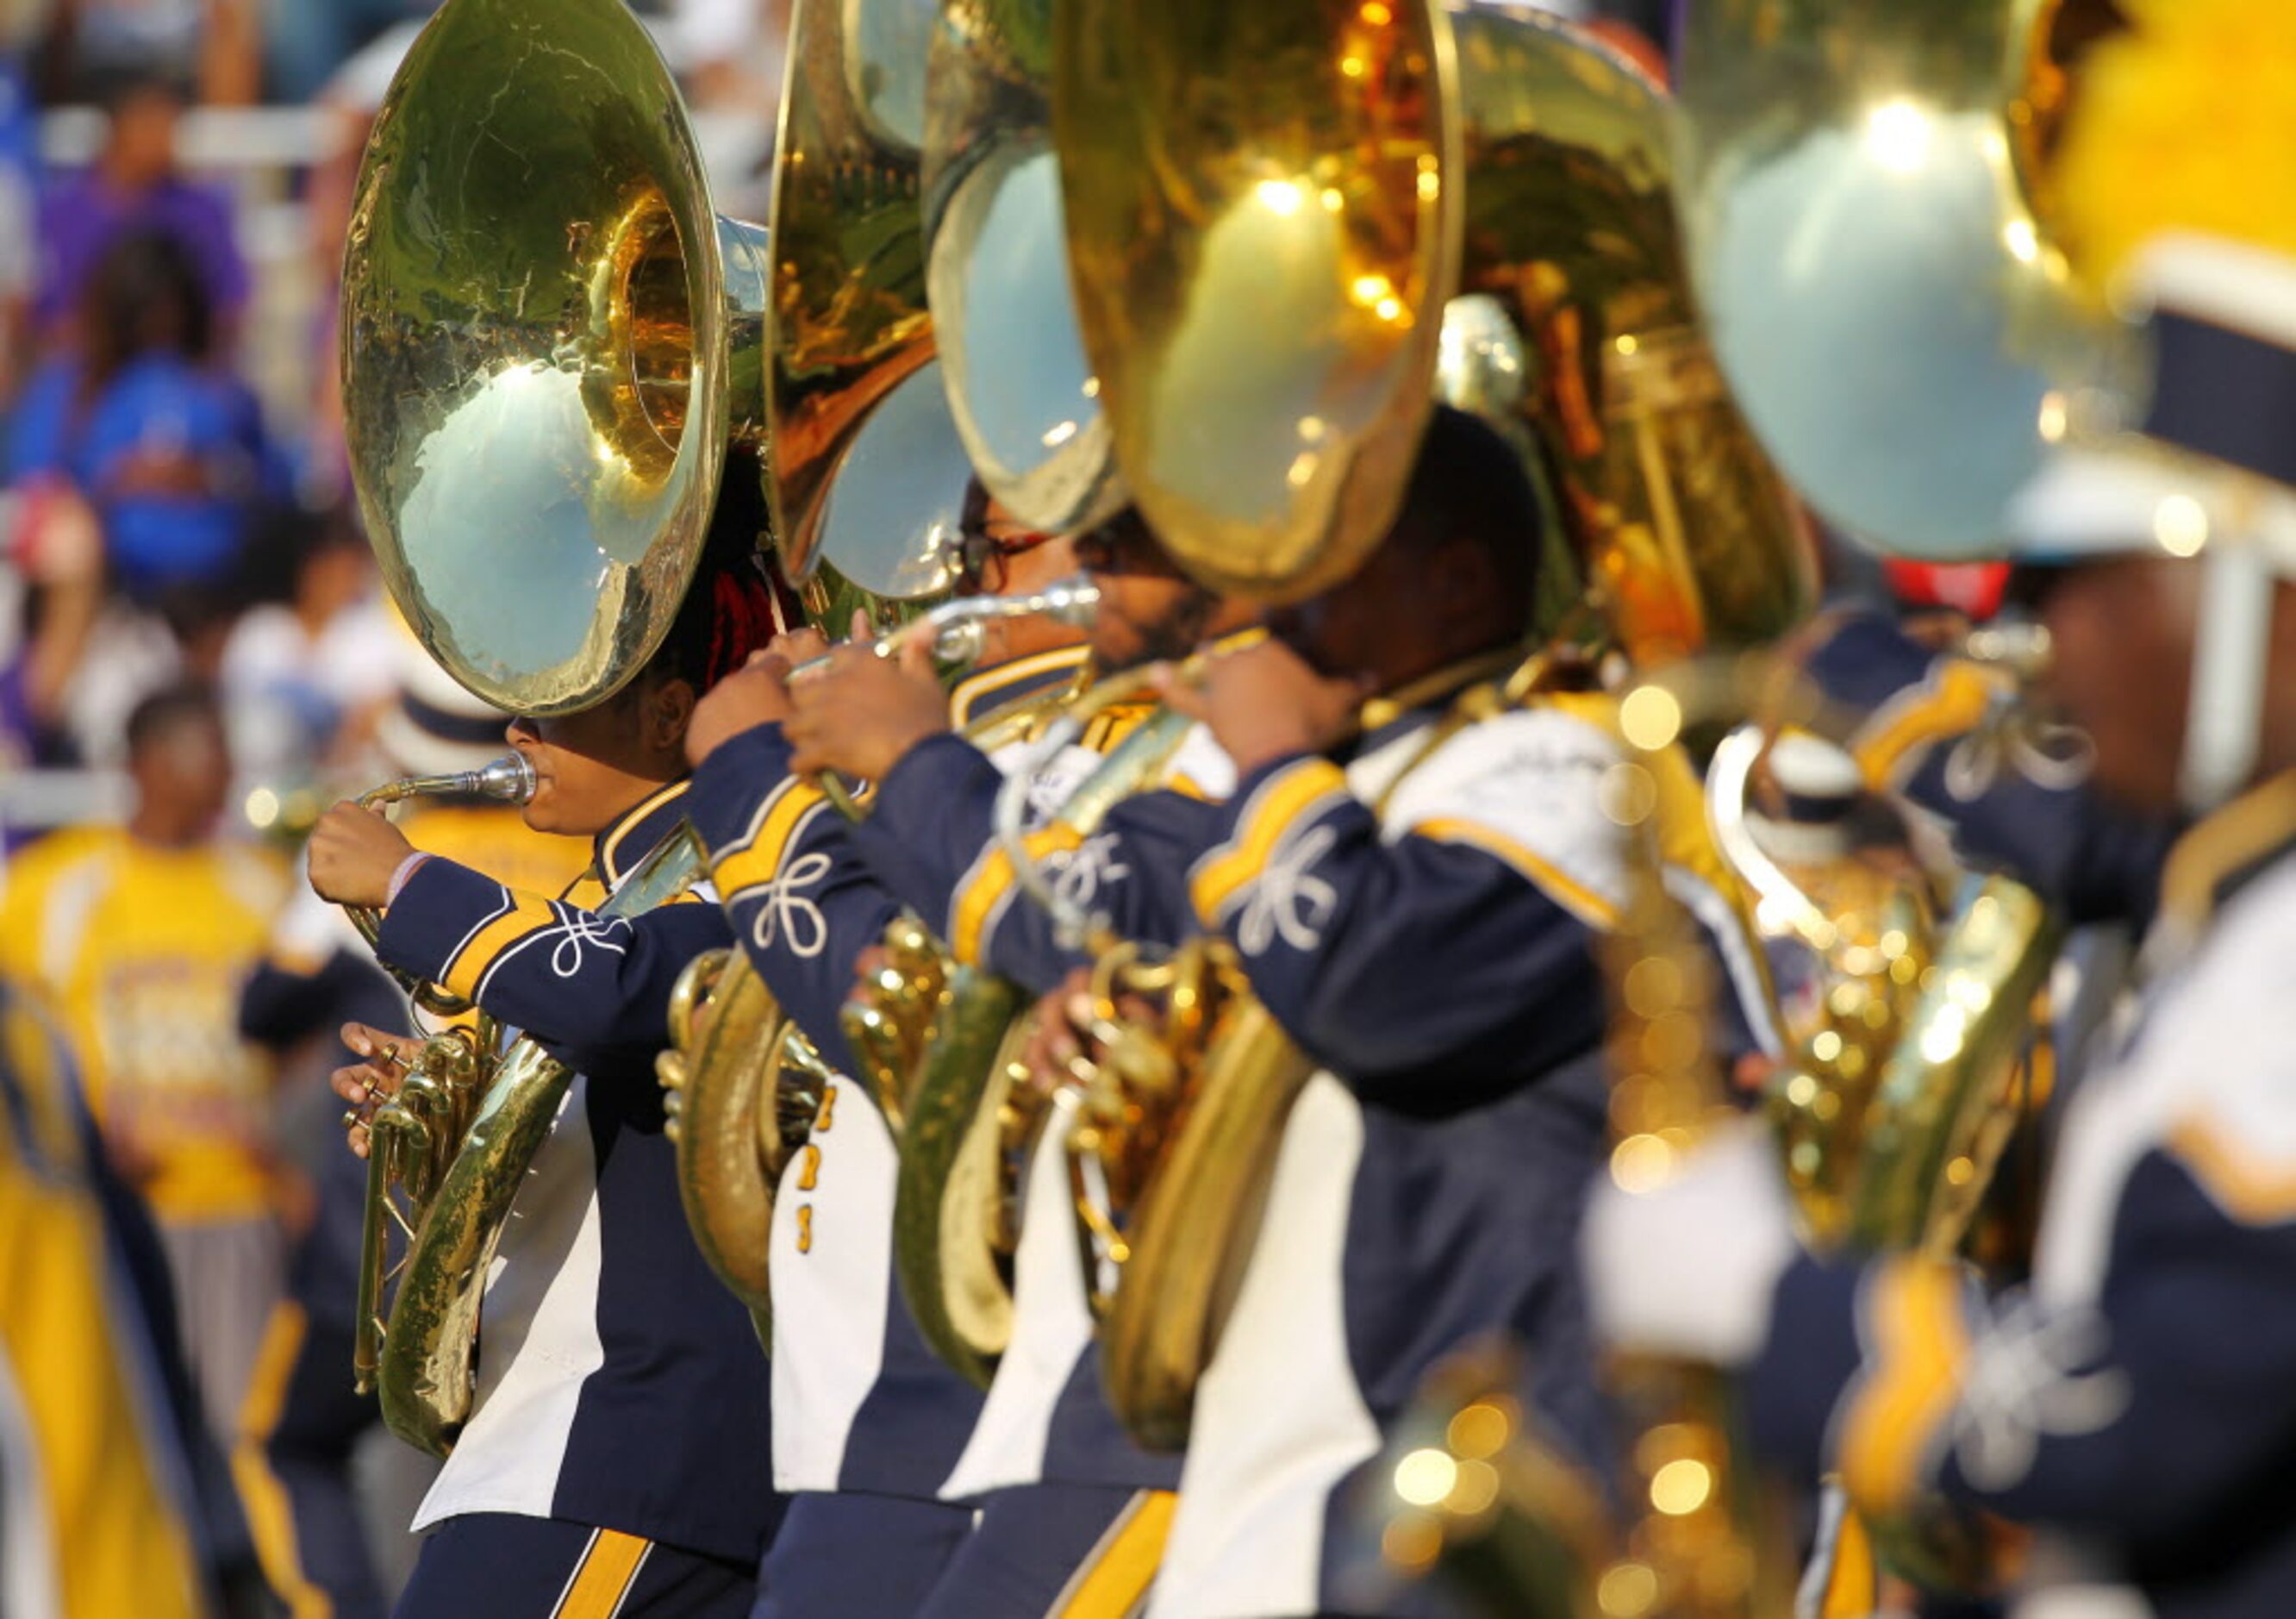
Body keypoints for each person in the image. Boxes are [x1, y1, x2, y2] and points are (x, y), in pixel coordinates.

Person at [1581, 9, 2296, 1608]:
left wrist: (1788, 1311)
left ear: (2266, 599)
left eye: (2100, 575)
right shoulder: (2229, 891)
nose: (2048, 628)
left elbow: (2152, 1410)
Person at [957, 408, 1770, 1619]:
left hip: (1506, 1476)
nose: (1260, 611)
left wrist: (1273, 764)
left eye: (1308, 571)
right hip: (1294, 1480)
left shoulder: (1557, 763)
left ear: (1455, 583)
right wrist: (1135, 1040)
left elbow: (1381, 980)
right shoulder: (1373, 785)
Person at [712, 501, 1257, 1616]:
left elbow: (910, 1009)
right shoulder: (1027, 741)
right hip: (926, 1390)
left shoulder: (1168, 739)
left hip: (1091, 1388)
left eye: (1015, 540)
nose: (971, 569)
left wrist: (760, 792)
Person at [306, 493, 787, 1618]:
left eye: (565, 704)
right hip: (561, 1451)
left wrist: (408, 882)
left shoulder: (738, 875)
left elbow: (618, 984)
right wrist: (436, 1106)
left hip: (625, 1452)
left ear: (673, 713)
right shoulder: (600, 901)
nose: (518, 730)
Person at [234, 653, 589, 1619]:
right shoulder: (583, 852)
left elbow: (262, 1005)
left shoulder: (398, 849)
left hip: (382, 1234)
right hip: (541, 1234)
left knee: (282, 1439)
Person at [0, 680, 291, 1457]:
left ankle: (246, 1580)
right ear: (148, 763)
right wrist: (85, 1143)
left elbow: (303, 1046)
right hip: (106, 1210)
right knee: (120, 1437)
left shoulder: (261, 885)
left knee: (247, 1437)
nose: (228, 768)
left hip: (235, 1206)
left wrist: (291, 1161)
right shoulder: (52, 887)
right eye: (209, 747)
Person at [8, 228, 273, 603]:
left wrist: (204, 476)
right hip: (103, 600)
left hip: (221, 594)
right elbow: (34, 494)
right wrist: (116, 482)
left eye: (174, 315)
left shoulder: (222, 391)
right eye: (143, 317)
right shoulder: (68, 389)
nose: (161, 328)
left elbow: (269, 481)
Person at [29, 71, 250, 345]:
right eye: (151, 123)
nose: (166, 138)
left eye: (171, 125)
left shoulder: (204, 211)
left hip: (181, 370)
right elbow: (44, 316)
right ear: (118, 128)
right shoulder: (60, 213)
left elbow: (229, 309)